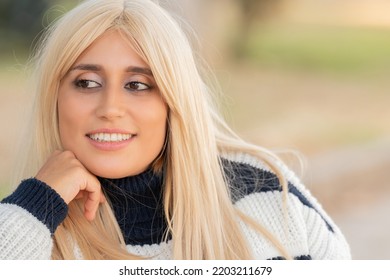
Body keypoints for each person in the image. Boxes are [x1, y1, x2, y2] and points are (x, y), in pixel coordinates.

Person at [0, 0, 351, 260]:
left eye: (138, 85)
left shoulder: (265, 195)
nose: (109, 109)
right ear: (55, 97)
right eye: (87, 82)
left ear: (174, 100)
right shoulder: (27, 223)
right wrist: (37, 204)